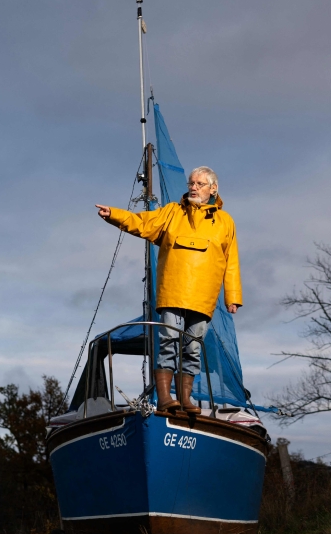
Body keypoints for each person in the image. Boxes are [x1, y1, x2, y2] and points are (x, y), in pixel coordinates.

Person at [95, 166, 241, 415]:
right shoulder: (173, 212)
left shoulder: (225, 222)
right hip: (173, 290)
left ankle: (185, 400)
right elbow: (142, 222)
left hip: (204, 296)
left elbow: (231, 261)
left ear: (213, 189)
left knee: (193, 348)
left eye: (199, 184)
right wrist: (115, 215)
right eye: (191, 183)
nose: (193, 187)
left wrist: (233, 296)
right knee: (169, 342)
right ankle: (165, 398)